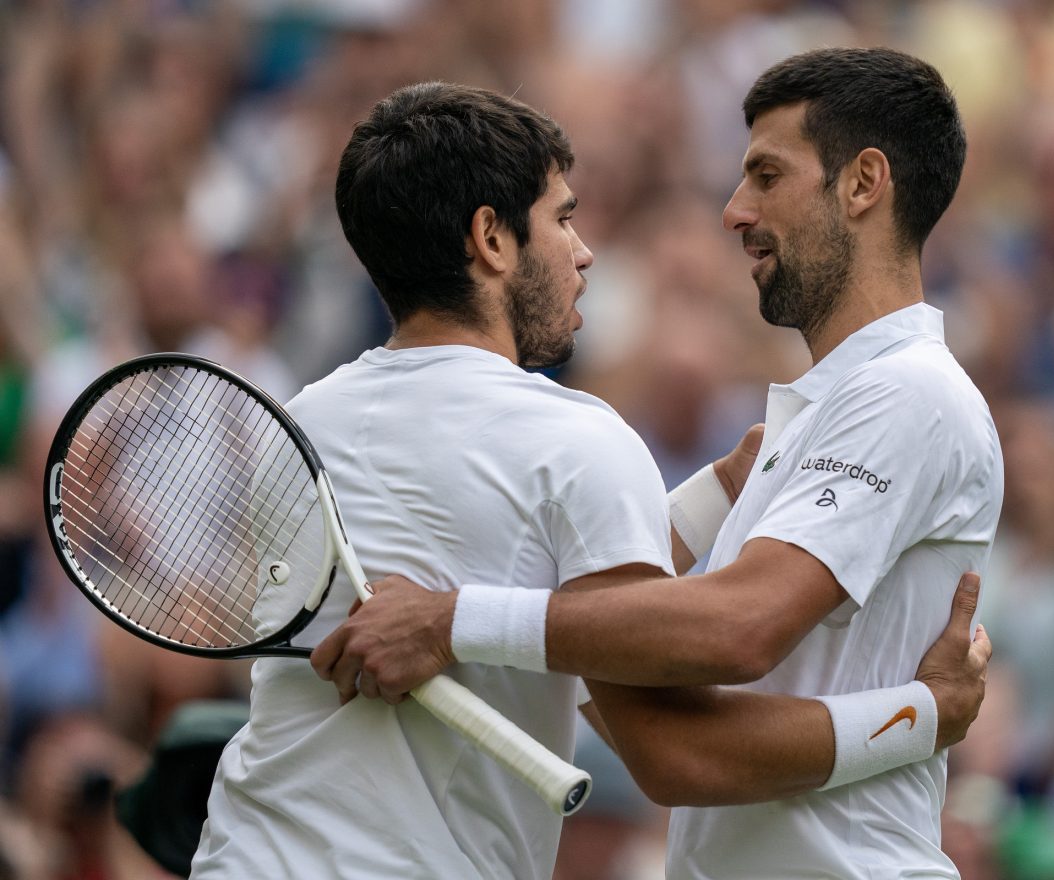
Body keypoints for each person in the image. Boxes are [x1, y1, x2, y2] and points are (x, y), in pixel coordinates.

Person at [192, 78, 990, 880]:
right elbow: (665, 715)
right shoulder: (581, 439)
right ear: (492, 241)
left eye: (767, 176)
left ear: (865, 184)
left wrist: (455, 619)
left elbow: (548, 615)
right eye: (563, 217)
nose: (583, 249)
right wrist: (924, 716)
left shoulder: (298, 427)